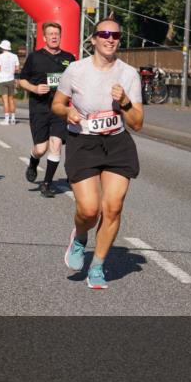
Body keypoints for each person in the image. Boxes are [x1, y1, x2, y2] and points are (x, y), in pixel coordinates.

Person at [52, 17, 143, 290]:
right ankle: (80, 237)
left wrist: (125, 102)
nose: (110, 39)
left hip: (116, 143)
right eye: (104, 34)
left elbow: (137, 123)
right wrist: (67, 110)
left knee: (113, 208)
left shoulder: (129, 74)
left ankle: (98, 266)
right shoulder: (76, 70)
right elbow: (57, 103)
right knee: (89, 210)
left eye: (115, 35)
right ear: (93, 39)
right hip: (83, 142)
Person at [18, 21, 76, 198]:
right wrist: (34, 89)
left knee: (56, 144)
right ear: (44, 37)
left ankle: (47, 183)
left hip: (60, 109)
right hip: (39, 108)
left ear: (60, 36)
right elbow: (22, 80)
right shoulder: (35, 57)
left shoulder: (69, 58)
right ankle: (33, 161)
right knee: (41, 149)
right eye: (50, 34)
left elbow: (76, 82)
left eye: (56, 34)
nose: (54, 36)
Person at [0, 40, 20, 125]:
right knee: (11, 100)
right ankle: (13, 119)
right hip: (11, 79)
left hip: (2, 80)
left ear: (2, 47)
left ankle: (6, 119)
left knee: (5, 100)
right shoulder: (15, 56)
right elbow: (17, 69)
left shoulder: (0, 56)